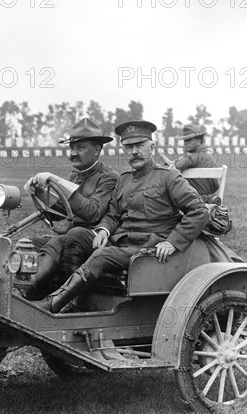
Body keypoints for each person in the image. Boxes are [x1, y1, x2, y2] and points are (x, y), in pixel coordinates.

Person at [36, 120, 210, 313]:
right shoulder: (124, 179)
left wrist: (172, 243)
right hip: (122, 244)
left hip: (149, 248)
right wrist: (103, 230)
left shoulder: (168, 177)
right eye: (128, 147)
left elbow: (199, 210)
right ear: (124, 150)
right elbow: (113, 214)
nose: (134, 151)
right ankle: (77, 300)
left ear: (151, 147)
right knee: (76, 234)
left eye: (139, 145)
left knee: (102, 255)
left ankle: (53, 305)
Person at [19, 118, 119, 301]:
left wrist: (58, 183)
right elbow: (65, 210)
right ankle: (21, 288)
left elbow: (93, 213)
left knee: (62, 240)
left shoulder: (109, 178)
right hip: (71, 238)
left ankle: (28, 293)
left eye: (80, 148)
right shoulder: (75, 176)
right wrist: (40, 193)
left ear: (97, 149)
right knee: (28, 244)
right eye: (72, 148)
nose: (73, 153)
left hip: (94, 241)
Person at [159, 124, 219, 198]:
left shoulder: (191, 157)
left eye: (189, 140)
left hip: (194, 199)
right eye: (185, 140)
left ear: (199, 140)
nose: (185, 143)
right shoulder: (209, 156)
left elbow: (173, 169)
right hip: (212, 196)